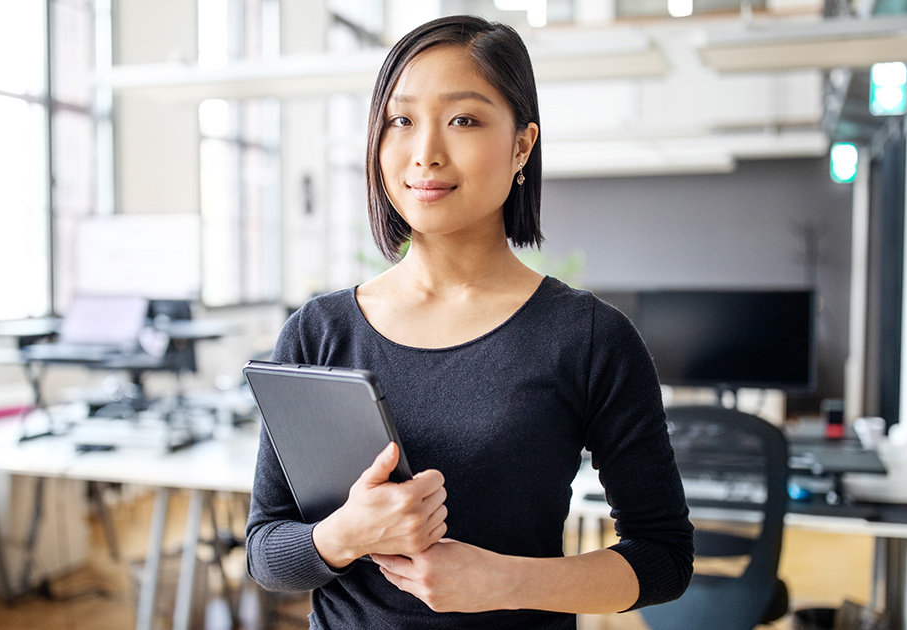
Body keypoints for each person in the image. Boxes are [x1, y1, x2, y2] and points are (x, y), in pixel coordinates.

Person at [246, 14, 693, 629]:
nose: (425, 152)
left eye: (463, 119)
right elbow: (268, 553)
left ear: (521, 145)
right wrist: (341, 536)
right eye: (401, 120)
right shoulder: (319, 332)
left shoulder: (589, 339)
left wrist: (506, 581)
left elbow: (664, 559)